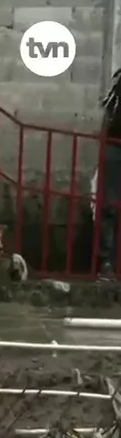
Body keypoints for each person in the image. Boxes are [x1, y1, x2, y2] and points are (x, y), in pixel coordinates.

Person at [96, 68, 121, 280]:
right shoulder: (119, 79)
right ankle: (106, 263)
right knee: (110, 207)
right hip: (115, 145)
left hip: (113, 146)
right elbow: (108, 113)